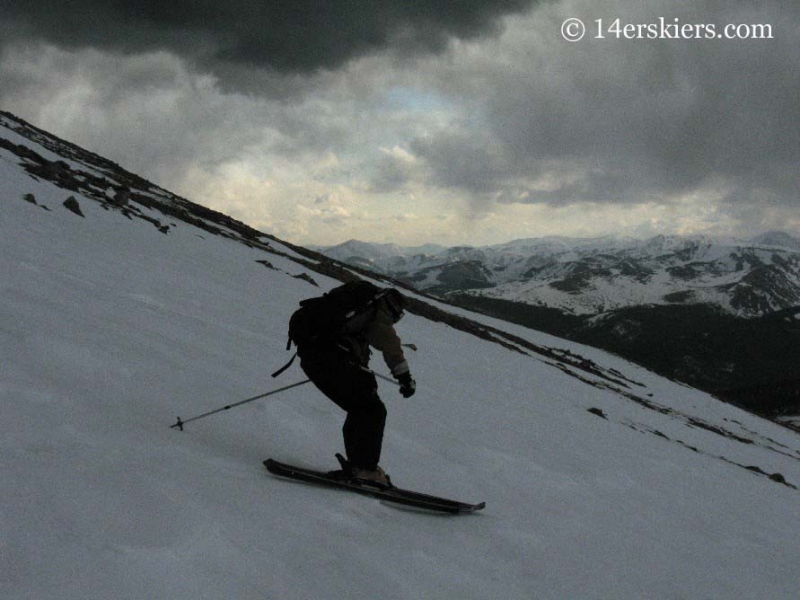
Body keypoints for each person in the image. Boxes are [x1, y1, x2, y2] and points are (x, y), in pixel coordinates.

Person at [295, 282, 415, 486]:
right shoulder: (379, 309)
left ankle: (360, 466)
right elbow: (390, 344)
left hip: (313, 357)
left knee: (361, 408)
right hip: (331, 358)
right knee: (372, 410)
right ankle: (365, 470)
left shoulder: (356, 310)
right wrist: (404, 377)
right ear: (394, 307)